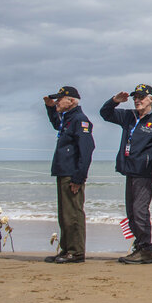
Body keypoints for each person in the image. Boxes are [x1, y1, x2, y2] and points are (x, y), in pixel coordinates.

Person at [101, 83, 152, 264]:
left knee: (139, 211)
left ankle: (146, 249)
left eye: (141, 97)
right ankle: (141, 246)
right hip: (129, 170)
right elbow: (105, 114)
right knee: (131, 212)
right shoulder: (129, 116)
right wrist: (114, 101)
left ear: (151, 99)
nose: (137, 100)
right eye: (135, 97)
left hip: (145, 172)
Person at [43, 86, 95, 264]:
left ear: (72, 101)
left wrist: (79, 177)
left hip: (72, 174)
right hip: (63, 171)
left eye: (60, 99)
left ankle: (76, 252)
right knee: (64, 214)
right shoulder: (68, 118)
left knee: (73, 214)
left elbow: (87, 150)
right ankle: (66, 249)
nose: (57, 101)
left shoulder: (80, 119)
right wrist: (50, 107)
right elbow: (57, 124)